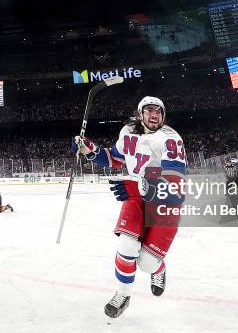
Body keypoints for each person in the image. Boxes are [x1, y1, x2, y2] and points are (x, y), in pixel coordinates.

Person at [72, 96, 186, 318]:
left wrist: (141, 184)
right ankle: (122, 294)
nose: (154, 115)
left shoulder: (171, 139)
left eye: (158, 112)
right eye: (150, 111)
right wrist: (88, 149)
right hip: (137, 194)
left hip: (165, 202)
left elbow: (175, 186)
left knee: (146, 263)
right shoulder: (128, 132)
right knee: (126, 246)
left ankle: (158, 268)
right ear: (140, 113)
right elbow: (115, 158)